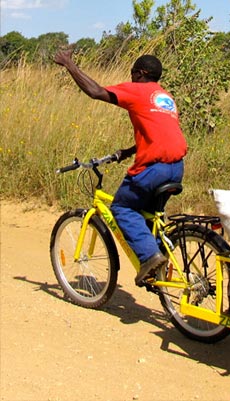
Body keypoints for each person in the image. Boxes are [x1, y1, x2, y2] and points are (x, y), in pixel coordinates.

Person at [54, 50, 187, 286]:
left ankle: (150, 257)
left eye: (132, 73)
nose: (131, 77)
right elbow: (161, 134)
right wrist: (128, 151)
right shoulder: (165, 97)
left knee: (123, 207)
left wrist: (69, 65)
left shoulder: (138, 89)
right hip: (176, 167)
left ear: (141, 73)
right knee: (147, 215)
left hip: (154, 170)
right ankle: (159, 270)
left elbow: (96, 92)